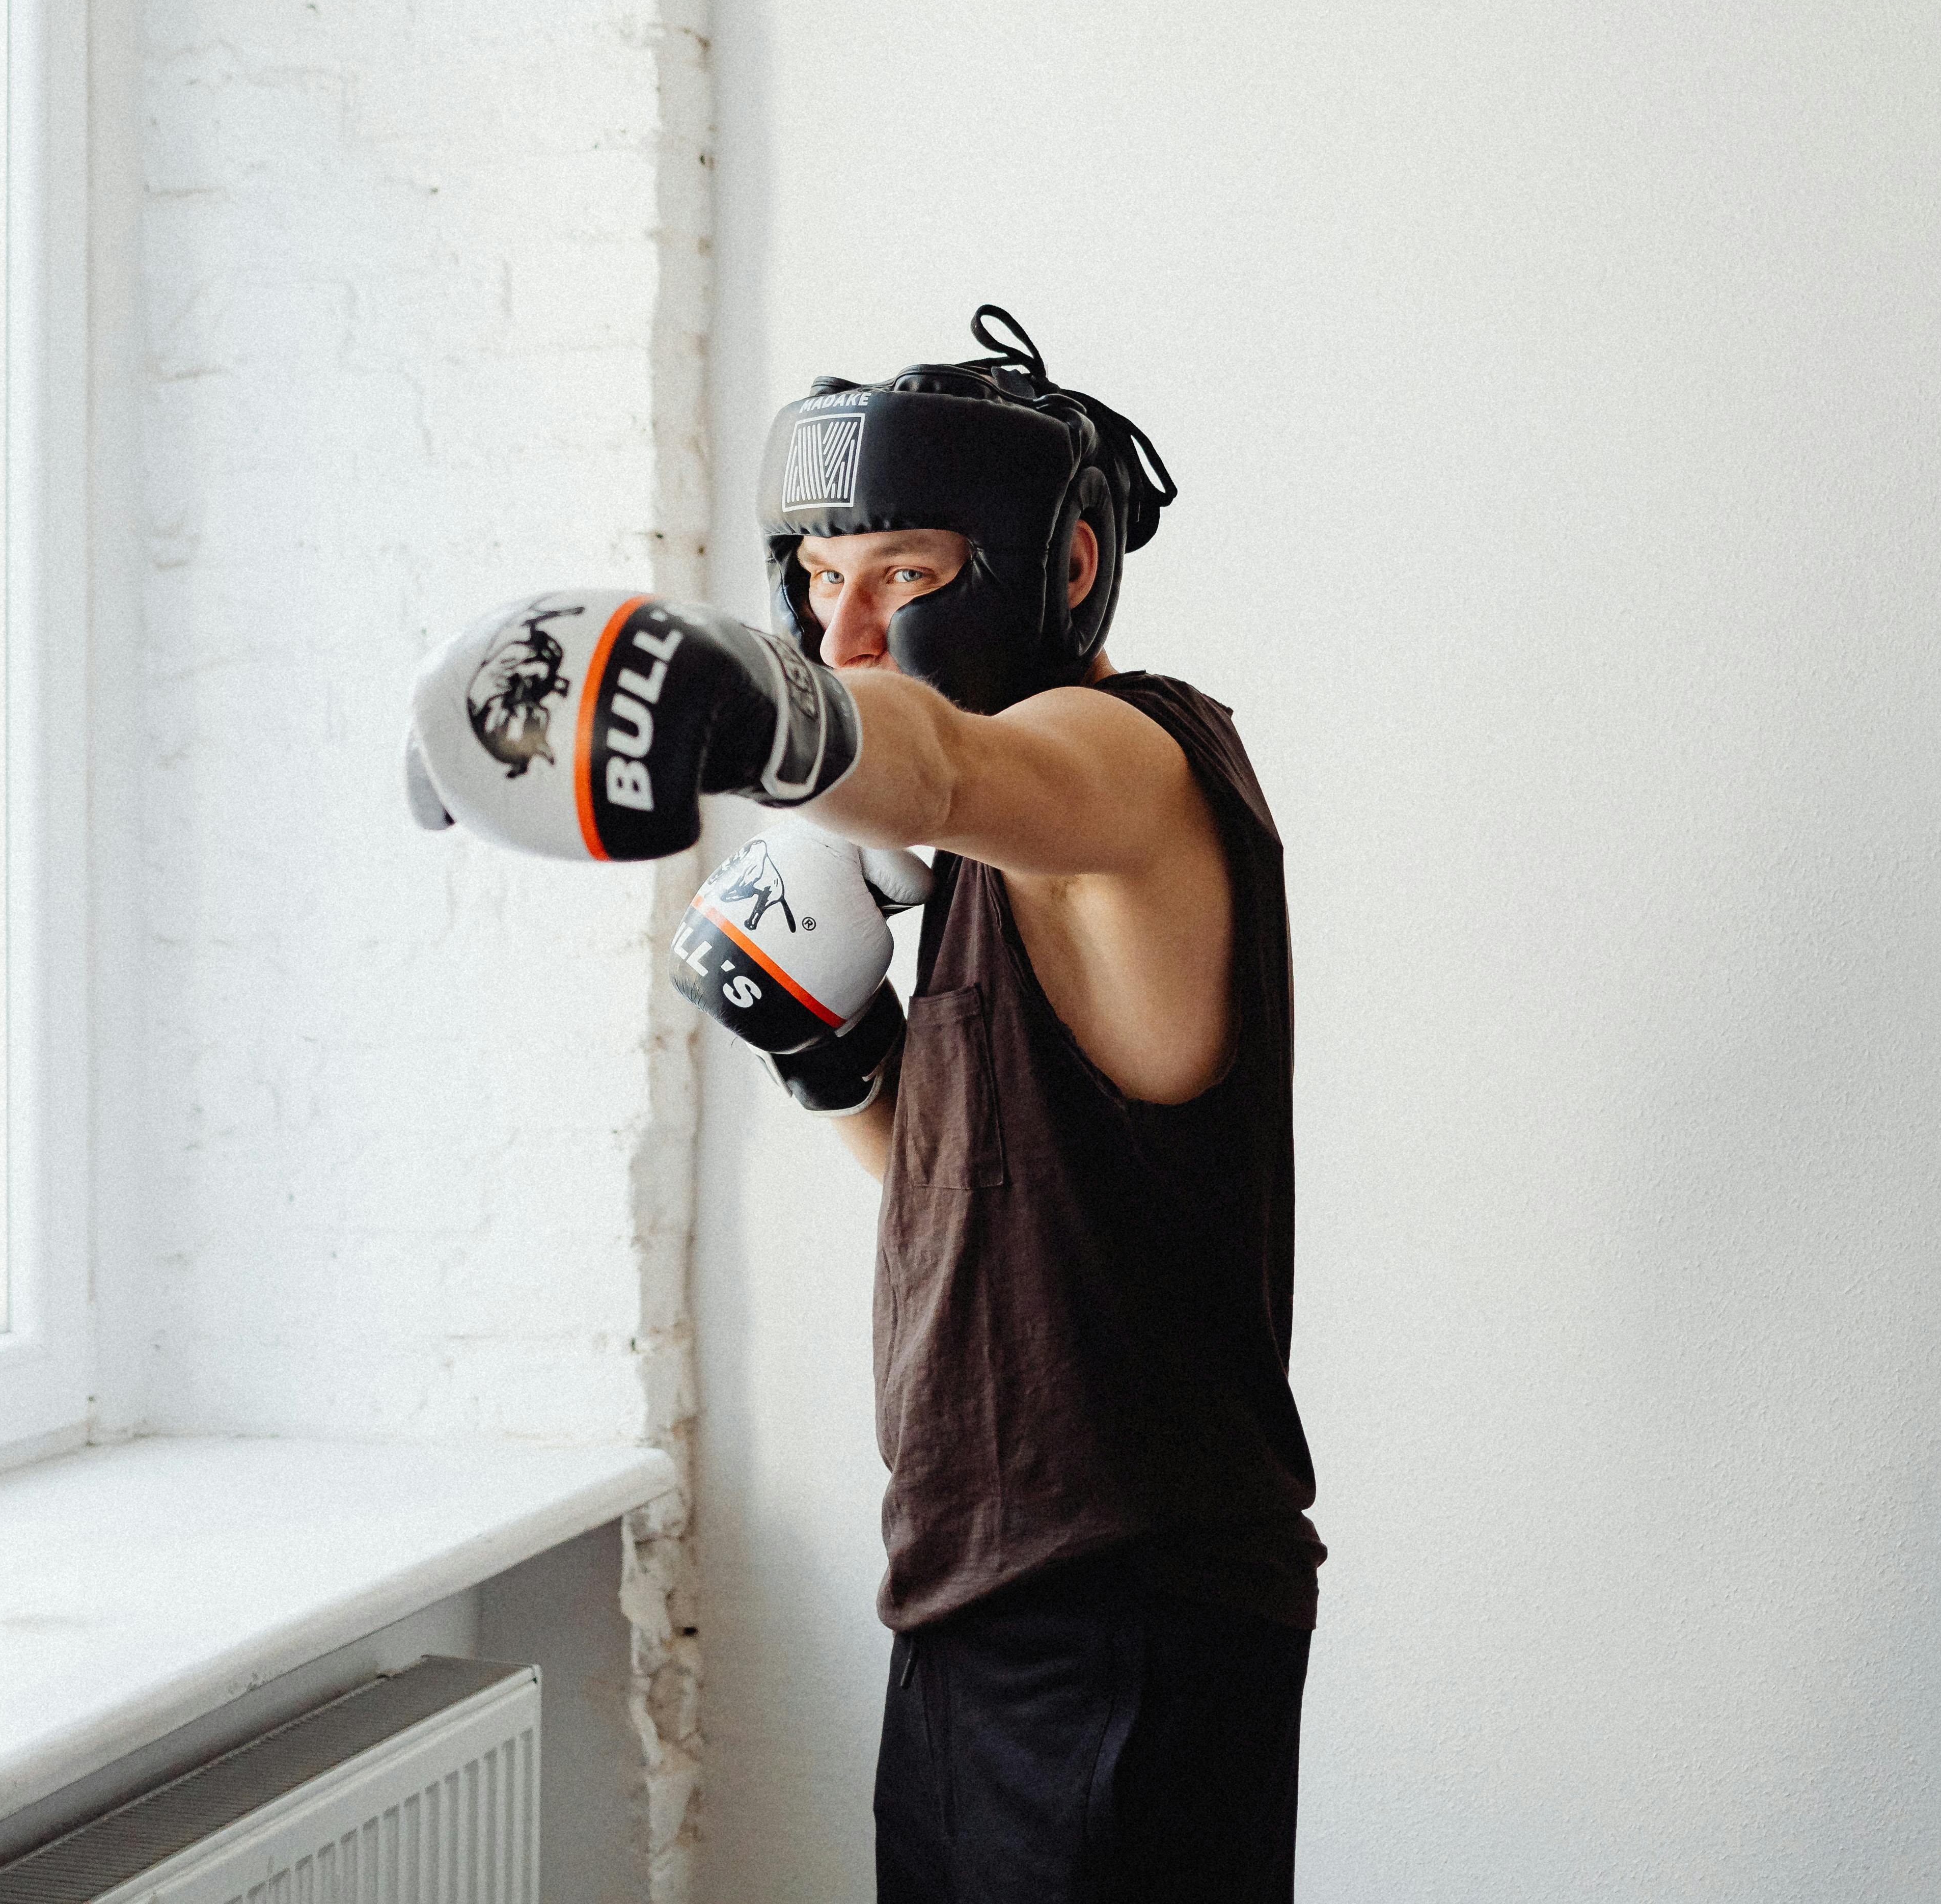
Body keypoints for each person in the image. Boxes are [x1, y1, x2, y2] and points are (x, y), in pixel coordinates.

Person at [406, 308, 1321, 1902]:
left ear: (1071, 568)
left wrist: (758, 710)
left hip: (1125, 1608)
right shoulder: (981, 861)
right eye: (819, 584)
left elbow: (949, 760)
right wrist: (831, 1055)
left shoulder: (1121, 766)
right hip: (978, 1581)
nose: (847, 632)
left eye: (904, 572)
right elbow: (958, 1184)